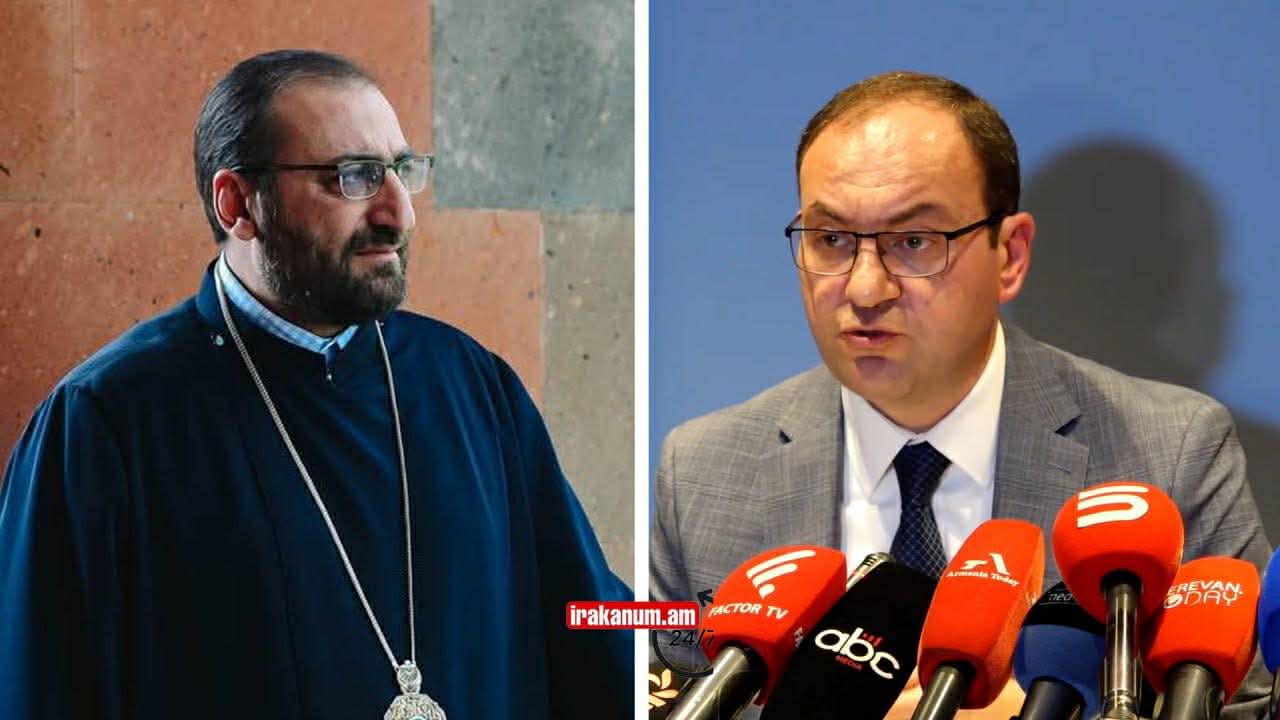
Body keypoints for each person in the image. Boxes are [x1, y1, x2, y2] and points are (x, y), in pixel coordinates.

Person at [0, 50, 630, 719]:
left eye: (401, 171)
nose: (398, 215)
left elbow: (590, 617)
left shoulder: (471, 383)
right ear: (238, 204)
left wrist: (696, 628)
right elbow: (39, 689)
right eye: (353, 178)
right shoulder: (105, 420)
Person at [650, 71, 1270, 717]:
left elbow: (1248, 707)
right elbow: (659, 695)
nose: (865, 289)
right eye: (831, 240)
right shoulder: (703, 475)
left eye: (914, 242)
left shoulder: (1170, 453)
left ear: (1010, 255)